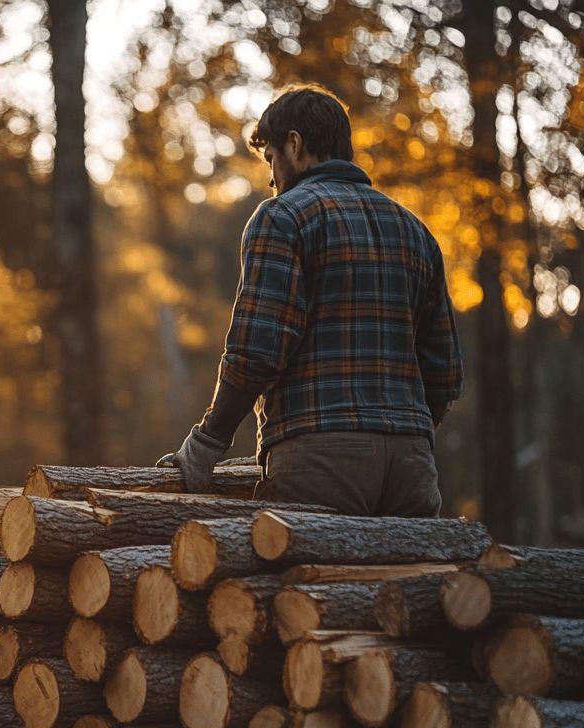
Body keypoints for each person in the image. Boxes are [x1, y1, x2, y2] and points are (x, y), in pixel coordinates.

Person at [159, 84, 463, 517]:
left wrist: (207, 443)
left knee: (303, 584)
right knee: (410, 584)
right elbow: (445, 372)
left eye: (271, 160)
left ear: (296, 145)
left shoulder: (282, 217)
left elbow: (256, 353)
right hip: (412, 464)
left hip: (319, 459)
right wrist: (399, 433)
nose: (271, 178)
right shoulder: (415, 231)